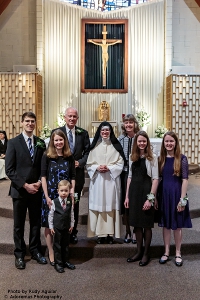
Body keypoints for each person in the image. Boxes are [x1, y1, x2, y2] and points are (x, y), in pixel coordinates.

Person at [5, 112, 47, 269]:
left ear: (35, 123)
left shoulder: (41, 142)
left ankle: (35, 251)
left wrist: (37, 183)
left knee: (36, 222)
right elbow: (9, 170)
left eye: (32, 121)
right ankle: (20, 254)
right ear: (22, 123)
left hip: (36, 190)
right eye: (27, 121)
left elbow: (43, 167)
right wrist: (25, 185)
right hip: (20, 190)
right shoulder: (13, 143)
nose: (30, 123)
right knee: (19, 224)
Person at [52, 107, 90, 244]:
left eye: (74, 116)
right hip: (59, 175)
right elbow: (51, 151)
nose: (72, 118)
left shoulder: (83, 133)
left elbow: (87, 152)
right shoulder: (57, 132)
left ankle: (72, 232)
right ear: (65, 117)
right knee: (59, 202)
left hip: (77, 175)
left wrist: (80, 163)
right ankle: (58, 231)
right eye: (69, 116)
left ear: (77, 118)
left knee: (74, 203)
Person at [86, 121, 125, 244]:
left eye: (107, 130)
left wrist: (110, 168)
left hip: (111, 181)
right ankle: (100, 234)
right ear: (99, 132)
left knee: (110, 205)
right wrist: (97, 167)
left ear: (110, 131)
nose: (105, 132)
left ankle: (110, 234)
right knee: (99, 204)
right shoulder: (95, 147)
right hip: (98, 181)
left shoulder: (116, 146)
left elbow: (121, 163)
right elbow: (88, 164)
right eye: (102, 130)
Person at [41, 129, 76, 266]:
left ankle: (63, 254)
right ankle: (51, 251)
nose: (58, 142)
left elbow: (73, 177)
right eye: (56, 140)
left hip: (65, 195)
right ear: (52, 141)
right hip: (50, 195)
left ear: (65, 141)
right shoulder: (47, 156)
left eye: (61, 140)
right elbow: (43, 177)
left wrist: (72, 194)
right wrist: (46, 196)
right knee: (49, 225)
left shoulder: (69, 156)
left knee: (64, 224)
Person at [157, 131, 192, 267]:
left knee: (177, 226)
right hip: (165, 194)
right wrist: (156, 197)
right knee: (166, 225)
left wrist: (182, 199)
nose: (169, 144)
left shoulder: (182, 159)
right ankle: (166, 251)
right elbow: (159, 178)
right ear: (163, 143)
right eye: (167, 141)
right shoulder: (161, 159)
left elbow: (185, 180)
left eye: (171, 141)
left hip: (177, 194)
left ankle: (178, 252)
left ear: (176, 143)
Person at [125, 131, 159, 266]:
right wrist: (127, 196)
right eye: (139, 141)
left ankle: (146, 253)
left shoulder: (152, 158)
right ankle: (138, 251)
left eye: (144, 141)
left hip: (146, 192)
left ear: (147, 142)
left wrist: (150, 199)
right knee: (137, 225)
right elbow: (129, 177)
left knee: (146, 225)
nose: (142, 143)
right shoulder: (132, 156)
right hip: (134, 193)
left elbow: (155, 179)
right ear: (136, 142)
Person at [118, 114, 140, 244]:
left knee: (135, 202)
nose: (128, 125)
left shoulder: (139, 137)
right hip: (124, 173)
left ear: (135, 124)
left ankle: (137, 231)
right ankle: (127, 231)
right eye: (126, 123)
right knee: (125, 203)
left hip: (137, 174)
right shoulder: (120, 139)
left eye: (131, 122)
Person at [48, 180, 76, 273]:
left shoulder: (69, 201)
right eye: (62, 191)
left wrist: (72, 225)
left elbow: (71, 214)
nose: (64, 193)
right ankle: (58, 263)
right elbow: (51, 215)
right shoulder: (54, 202)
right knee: (58, 246)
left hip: (67, 228)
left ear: (69, 191)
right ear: (58, 191)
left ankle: (66, 261)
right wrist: (51, 227)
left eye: (66, 191)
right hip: (57, 228)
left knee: (65, 245)